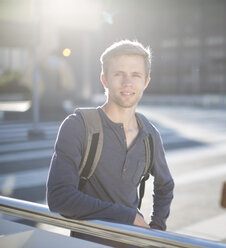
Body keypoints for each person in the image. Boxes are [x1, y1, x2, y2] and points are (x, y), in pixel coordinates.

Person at [47, 40, 174, 246]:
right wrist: (128, 216)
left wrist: (156, 231)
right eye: (118, 74)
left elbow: (165, 186)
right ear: (104, 79)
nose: (127, 82)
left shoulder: (150, 135)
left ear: (146, 82)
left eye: (136, 75)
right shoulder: (78, 126)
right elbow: (59, 197)